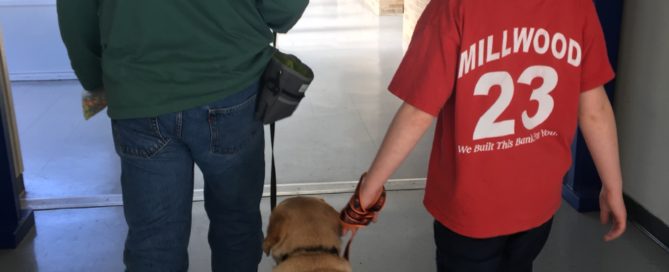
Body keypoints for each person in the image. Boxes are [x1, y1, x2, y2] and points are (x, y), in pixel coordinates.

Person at [340, 0, 627, 271]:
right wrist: (612, 185)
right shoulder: (577, 6)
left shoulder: (455, 5)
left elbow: (418, 113)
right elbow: (594, 109)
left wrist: (368, 190)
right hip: (537, 205)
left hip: (470, 211)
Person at [57, 0, 308, 271]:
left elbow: (74, 11)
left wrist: (96, 79)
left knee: (154, 241)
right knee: (236, 224)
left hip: (139, 89)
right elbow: (284, 10)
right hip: (229, 82)